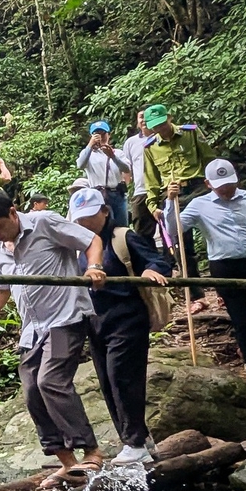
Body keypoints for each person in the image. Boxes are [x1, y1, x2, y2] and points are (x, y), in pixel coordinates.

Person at [0, 188, 104, 481]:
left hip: (64, 318)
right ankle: (68, 462)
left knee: (51, 381)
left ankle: (91, 452)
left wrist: (94, 266)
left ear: (13, 212)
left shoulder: (44, 223)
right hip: (33, 329)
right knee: (32, 390)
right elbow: (3, 287)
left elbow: (91, 240)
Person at [74, 188, 173, 465]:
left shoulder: (122, 237)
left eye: (90, 216)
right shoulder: (76, 246)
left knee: (122, 376)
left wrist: (151, 270)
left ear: (105, 212)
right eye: (80, 218)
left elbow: (158, 261)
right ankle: (134, 439)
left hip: (127, 316)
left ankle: (135, 443)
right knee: (106, 381)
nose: (84, 223)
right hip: (95, 321)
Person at [178, 158, 246, 398]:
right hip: (224, 267)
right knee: (243, 322)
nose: (226, 189)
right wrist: (168, 203)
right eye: (220, 185)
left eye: (229, 183)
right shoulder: (199, 205)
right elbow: (173, 230)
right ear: (208, 184)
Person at [140, 104, 214, 254]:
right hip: (173, 194)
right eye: (156, 126)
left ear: (169, 117)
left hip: (198, 187)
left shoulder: (190, 132)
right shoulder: (150, 146)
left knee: (214, 229)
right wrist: (153, 205)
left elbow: (209, 159)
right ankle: (188, 274)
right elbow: (151, 179)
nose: (161, 129)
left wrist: (214, 185)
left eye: (163, 123)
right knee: (180, 242)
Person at [76, 121, 131, 227]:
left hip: (118, 194)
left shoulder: (117, 152)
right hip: (99, 194)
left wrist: (112, 156)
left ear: (108, 135)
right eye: (96, 134)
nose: (100, 137)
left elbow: (126, 168)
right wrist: (90, 145)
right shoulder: (88, 154)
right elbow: (80, 165)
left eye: (103, 134)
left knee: (121, 227)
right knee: (103, 227)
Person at [124, 108, 157, 234]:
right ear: (137, 122)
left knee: (170, 229)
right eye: (141, 117)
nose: (144, 120)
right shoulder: (131, 143)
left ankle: (172, 254)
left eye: (146, 116)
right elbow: (127, 169)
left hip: (163, 189)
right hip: (141, 190)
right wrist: (126, 187)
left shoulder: (162, 137)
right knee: (142, 230)